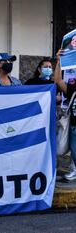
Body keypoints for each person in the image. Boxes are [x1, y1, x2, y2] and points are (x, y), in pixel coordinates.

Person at [54, 49, 76, 180]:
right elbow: (58, 80)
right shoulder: (73, 87)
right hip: (74, 126)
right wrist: (59, 61)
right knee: (74, 153)